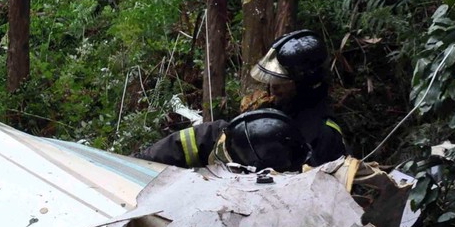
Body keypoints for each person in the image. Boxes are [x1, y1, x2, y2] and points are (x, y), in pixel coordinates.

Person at [137, 29, 347, 169]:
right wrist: (139, 164)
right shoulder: (275, 111)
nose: (273, 88)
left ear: (305, 83)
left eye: (281, 81)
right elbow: (208, 138)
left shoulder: (325, 136)